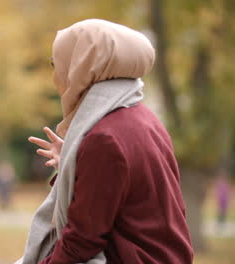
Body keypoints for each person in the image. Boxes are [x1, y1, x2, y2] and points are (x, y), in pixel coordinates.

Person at [16, 19, 193, 264]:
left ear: (80, 68)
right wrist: (73, 162)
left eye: (57, 65)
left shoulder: (104, 139)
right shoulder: (142, 117)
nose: (56, 76)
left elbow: (81, 243)